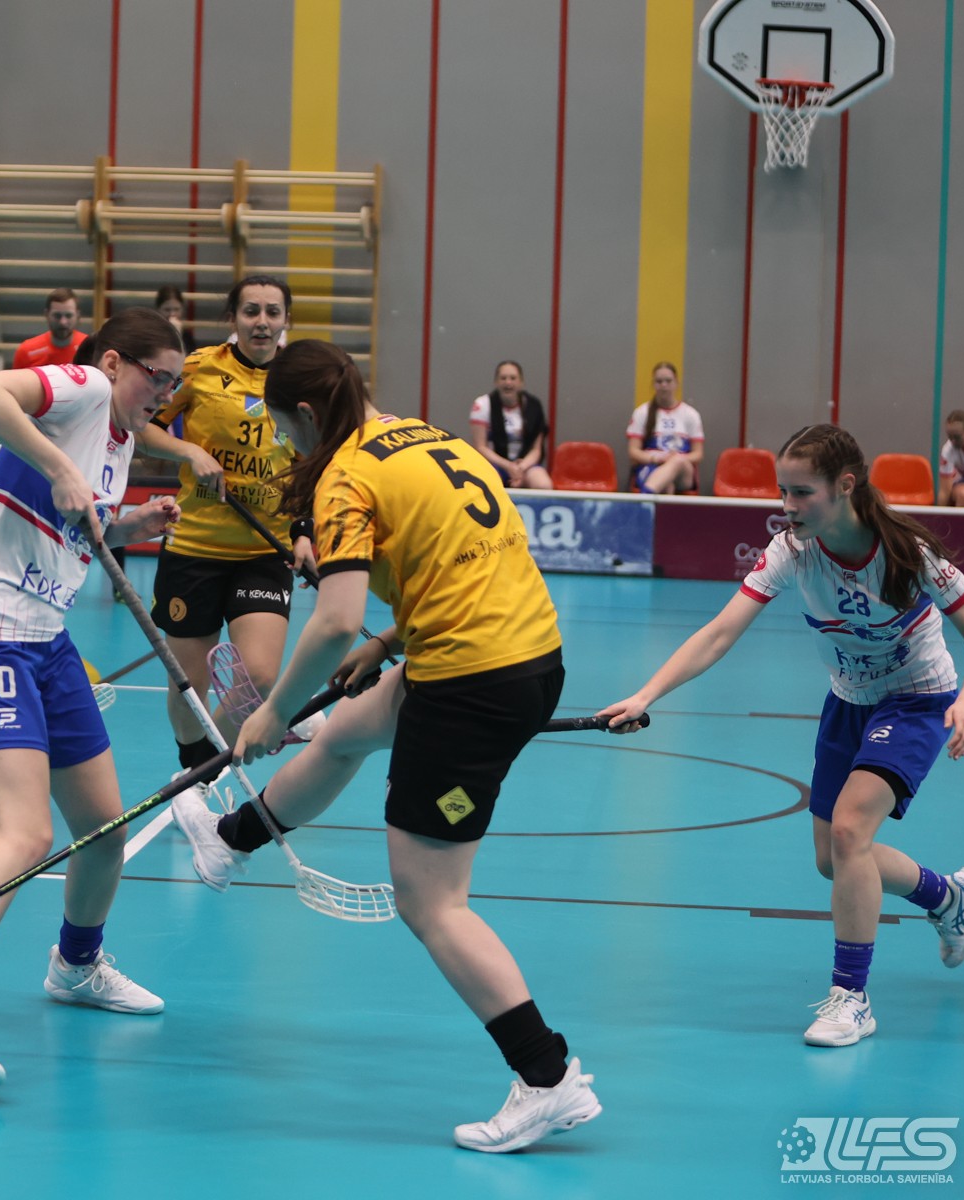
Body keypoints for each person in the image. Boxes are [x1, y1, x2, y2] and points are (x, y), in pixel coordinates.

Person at [178, 339, 602, 1154]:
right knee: (346, 734)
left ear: (308, 415)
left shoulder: (345, 477)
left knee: (432, 903)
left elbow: (334, 618)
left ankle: (548, 1078)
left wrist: (273, 712)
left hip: (470, 684)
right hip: (522, 652)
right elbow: (460, 562)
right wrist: (390, 641)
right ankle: (230, 840)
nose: (288, 444)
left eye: (284, 428)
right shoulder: (427, 436)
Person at [0, 307, 185, 1089]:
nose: (166, 396)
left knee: (104, 829)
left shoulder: (117, 438)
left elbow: (81, 528)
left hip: (46, 640)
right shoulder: (84, 388)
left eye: (175, 387)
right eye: (159, 378)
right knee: (22, 832)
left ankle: (76, 966)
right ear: (116, 363)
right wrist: (55, 464)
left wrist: (132, 523)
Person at [600, 423, 964, 1048]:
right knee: (833, 859)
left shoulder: (907, 552)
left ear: (845, 486)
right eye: (783, 491)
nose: (787, 505)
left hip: (917, 700)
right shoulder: (790, 551)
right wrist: (646, 694)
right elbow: (719, 634)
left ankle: (851, 999)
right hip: (848, 702)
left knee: (852, 831)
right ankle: (947, 897)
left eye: (801, 493)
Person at [136, 275, 314, 788]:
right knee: (189, 688)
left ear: (286, 320)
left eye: (273, 312)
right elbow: (140, 426)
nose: (262, 322)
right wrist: (189, 450)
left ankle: (203, 774)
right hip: (194, 547)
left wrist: (304, 531)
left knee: (258, 677)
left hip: (264, 550)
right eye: (251, 311)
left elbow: (314, 462)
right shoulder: (198, 368)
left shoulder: (300, 382)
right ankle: (193, 762)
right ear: (233, 318)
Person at [469, 360, 552, 489]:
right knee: (486, 482)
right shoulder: (482, 405)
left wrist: (520, 468)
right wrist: (508, 466)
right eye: (503, 378)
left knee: (543, 484)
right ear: (496, 382)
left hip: (524, 465)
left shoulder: (534, 406)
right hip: (494, 464)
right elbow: (480, 447)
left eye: (513, 378)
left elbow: (536, 449)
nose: (508, 383)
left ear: (521, 382)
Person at [626, 361, 704, 494]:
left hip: (683, 470)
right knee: (667, 486)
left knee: (677, 461)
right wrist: (657, 459)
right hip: (651, 466)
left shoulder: (690, 414)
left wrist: (674, 458)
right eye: (659, 381)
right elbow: (633, 451)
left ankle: (645, 497)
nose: (664, 385)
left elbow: (698, 454)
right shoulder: (642, 412)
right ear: (653, 384)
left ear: (676, 383)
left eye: (668, 381)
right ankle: (652, 498)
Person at [11, 288, 88, 370]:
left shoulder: (90, 348)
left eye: (68, 316)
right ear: (46, 315)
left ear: (78, 316)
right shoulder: (26, 351)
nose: (63, 322)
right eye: (57, 316)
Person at [937, 409, 964, 507]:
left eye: (957, 437)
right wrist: (938, 514)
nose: (953, 441)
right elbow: (944, 491)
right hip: (963, 481)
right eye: (950, 437)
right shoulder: (948, 450)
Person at [154, 284, 204, 354]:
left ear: (182, 309)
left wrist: (178, 335)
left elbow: (187, 359)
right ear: (158, 310)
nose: (172, 314)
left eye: (176, 309)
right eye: (167, 310)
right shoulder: (152, 334)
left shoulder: (187, 336)